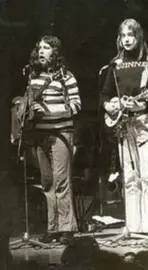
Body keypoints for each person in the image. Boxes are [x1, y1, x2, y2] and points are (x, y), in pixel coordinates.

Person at [100, 18, 148, 236]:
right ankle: (134, 225)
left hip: (145, 121)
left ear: (139, 37)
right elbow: (105, 94)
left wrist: (142, 103)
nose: (127, 39)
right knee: (129, 176)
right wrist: (110, 104)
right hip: (123, 123)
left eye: (131, 35)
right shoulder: (115, 63)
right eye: (123, 35)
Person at [19, 35, 81, 244]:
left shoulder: (66, 76)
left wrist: (48, 112)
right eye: (40, 48)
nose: (42, 51)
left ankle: (67, 229)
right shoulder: (33, 77)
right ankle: (52, 228)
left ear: (55, 52)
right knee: (47, 183)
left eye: (47, 48)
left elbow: (75, 105)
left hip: (61, 134)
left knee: (61, 181)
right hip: (39, 136)